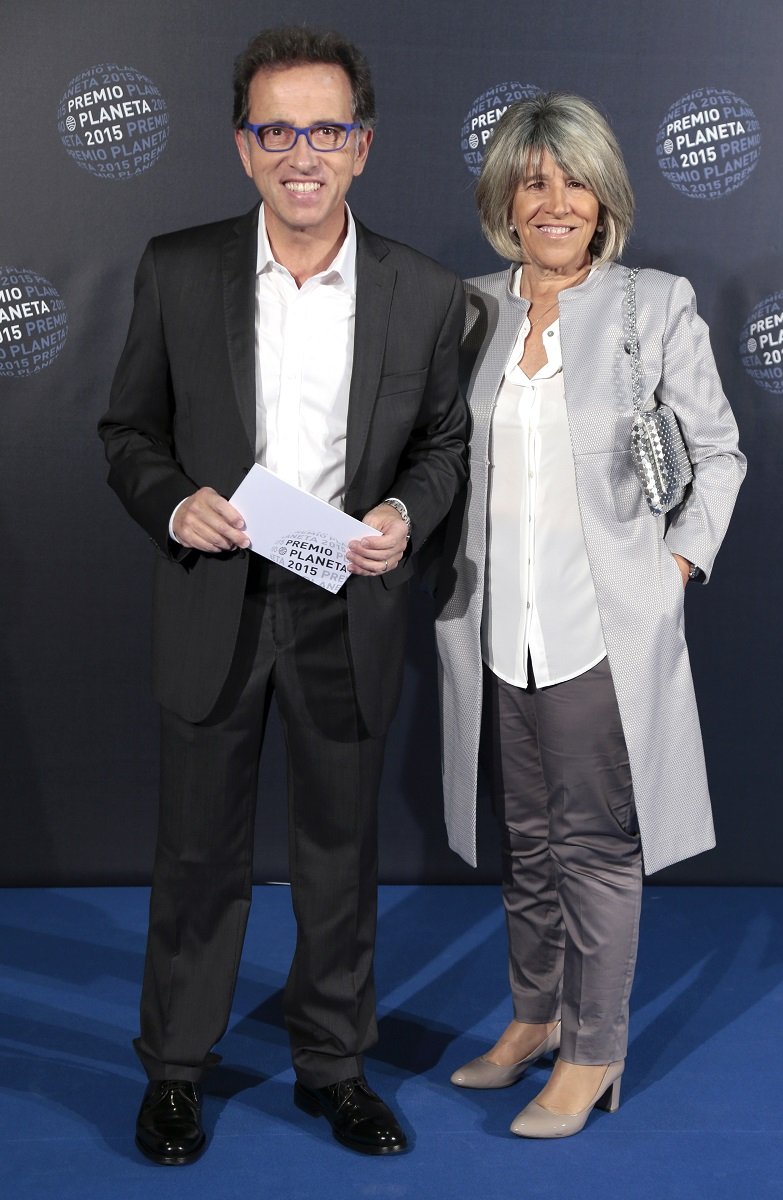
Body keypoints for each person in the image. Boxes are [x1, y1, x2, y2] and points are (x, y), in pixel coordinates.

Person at [99, 25, 466, 1163]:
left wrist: (404, 516)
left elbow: (442, 441)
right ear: (243, 146)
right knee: (196, 853)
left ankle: (333, 1066)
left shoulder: (423, 289)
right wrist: (172, 503)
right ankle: (174, 1071)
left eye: (324, 128)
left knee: (336, 854)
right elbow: (128, 432)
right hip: (215, 592)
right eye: (276, 129)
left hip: (343, 608)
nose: (299, 151)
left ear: (360, 145)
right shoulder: (176, 267)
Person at [435, 92, 745, 1139]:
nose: (552, 200)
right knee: (526, 842)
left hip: (597, 629)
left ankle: (592, 1049)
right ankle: (530, 1019)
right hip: (493, 626)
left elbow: (716, 452)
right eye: (531, 181)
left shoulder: (652, 304)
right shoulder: (468, 308)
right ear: (504, 201)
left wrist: (676, 567)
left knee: (593, 847)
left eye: (570, 180)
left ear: (602, 198)